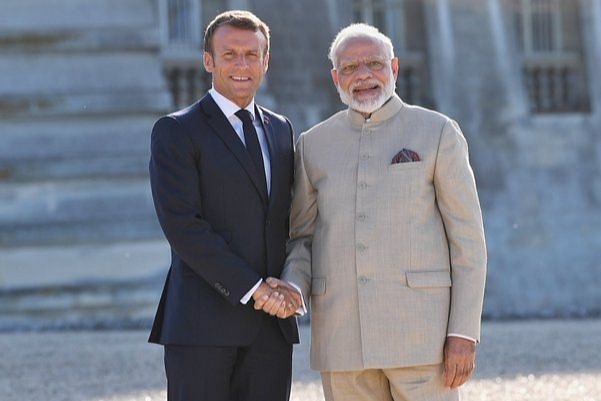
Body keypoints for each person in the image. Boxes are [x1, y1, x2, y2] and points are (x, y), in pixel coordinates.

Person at [259, 23, 487, 401]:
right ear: (336, 78)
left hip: (423, 341)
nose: (363, 76)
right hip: (343, 342)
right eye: (349, 68)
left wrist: (463, 332)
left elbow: (468, 242)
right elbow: (301, 238)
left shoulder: (438, 132)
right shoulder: (313, 145)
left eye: (374, 64)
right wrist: (294, 285)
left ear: (394, 68)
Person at [148, 10, 301, 401]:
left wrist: (292, 285)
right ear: (208, 60)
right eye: (229, 54)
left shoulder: (281, 129)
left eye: (252, 55)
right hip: (202, 327)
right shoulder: (177, 131)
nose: (241, 64)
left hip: (271, 331)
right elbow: (183, 226)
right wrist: (253, 289)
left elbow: (289, 220)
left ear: (266, 61)